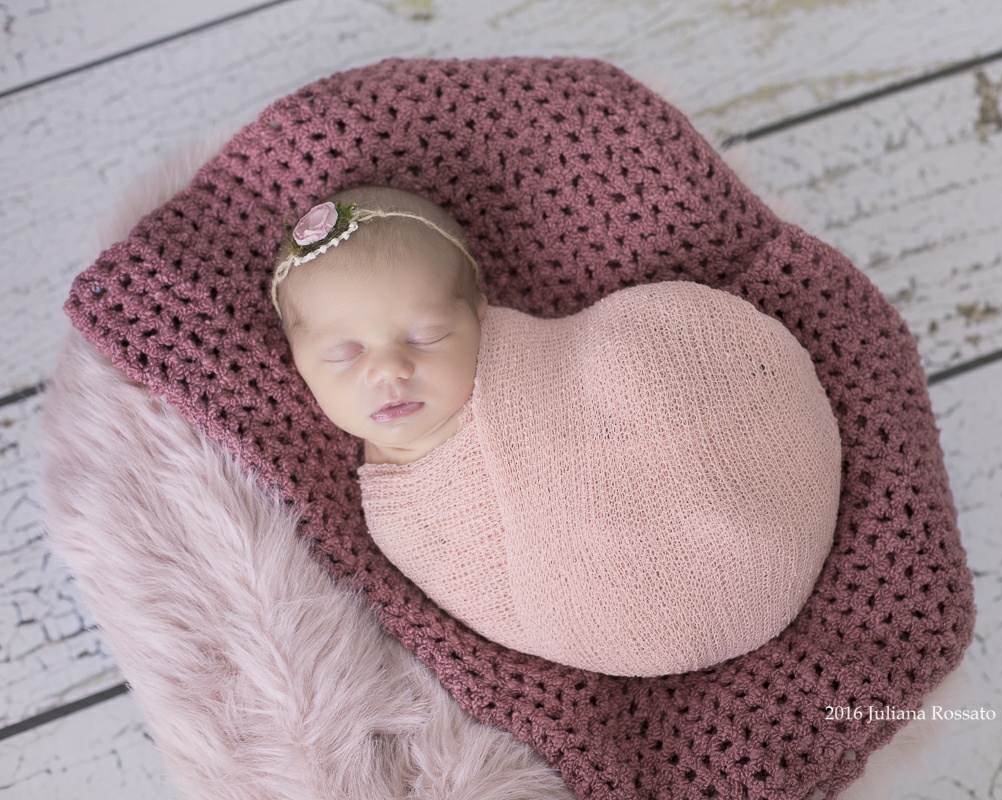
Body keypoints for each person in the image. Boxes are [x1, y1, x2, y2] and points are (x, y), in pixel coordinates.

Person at [273, 185, 842, 677]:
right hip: (635, 606)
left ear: (479, 314)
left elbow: (616, 410)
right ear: (299, 365)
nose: (390, 369)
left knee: (643, 356)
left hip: (721, 460)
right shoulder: (398, 513)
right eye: (345, 354)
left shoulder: (521, 367)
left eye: (425, 337)